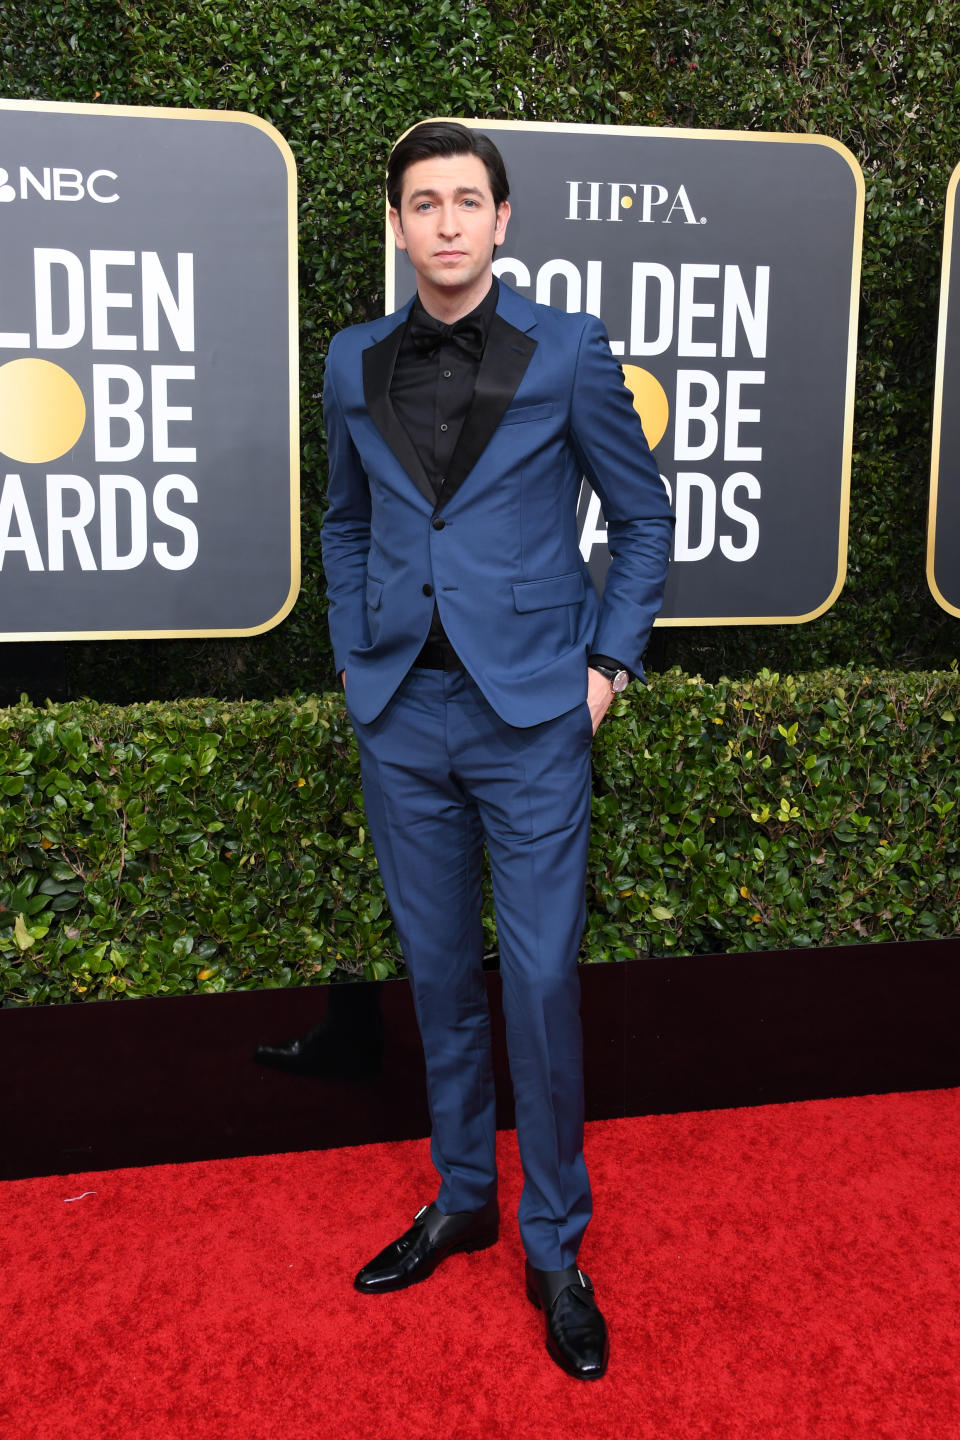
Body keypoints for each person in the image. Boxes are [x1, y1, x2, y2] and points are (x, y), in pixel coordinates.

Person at [320, 120, 673, 1380]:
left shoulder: (569, 349)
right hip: (401, 715)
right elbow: (346, 520)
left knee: (536, 984)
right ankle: (464, 1195)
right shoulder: (352, 359)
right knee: (435, 977)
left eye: (470, 200)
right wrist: (359, 650)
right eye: (426, 202)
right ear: (401, 226)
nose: (450, 222)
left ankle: (556, 1244)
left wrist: (606, 668)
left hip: (533, 717)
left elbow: (643, 518)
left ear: (503, 219)